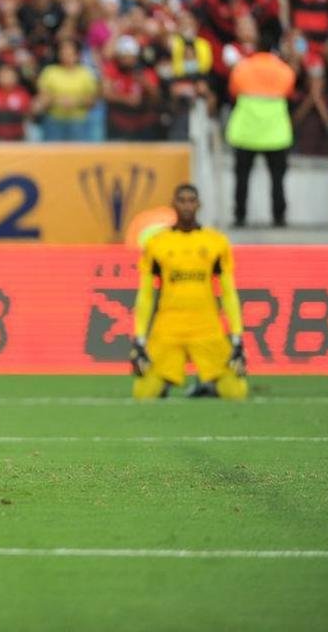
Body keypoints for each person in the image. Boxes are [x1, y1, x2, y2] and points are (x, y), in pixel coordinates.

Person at [130, 184, 247, 401]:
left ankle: (207, 384)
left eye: (191, 200)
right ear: (173, 204)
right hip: (169, 324)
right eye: (181, 200)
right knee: (143, 393)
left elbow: (228, 292)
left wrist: (238, 336)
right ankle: (167, 381)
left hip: (206, 324)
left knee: (236, 393)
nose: (186, 205)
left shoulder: (215, 242)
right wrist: (139, 338)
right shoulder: (157, 243)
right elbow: (146, 294)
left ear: (199, 204)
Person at [226, 47, 295, 227]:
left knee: (242, 178)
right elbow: (289, 91)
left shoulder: (242, 68)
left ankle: (240, 216)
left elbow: (233, 91)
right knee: (277, 179)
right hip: (275, 133)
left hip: (246, 131)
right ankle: (279, 217)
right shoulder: (284, 69)